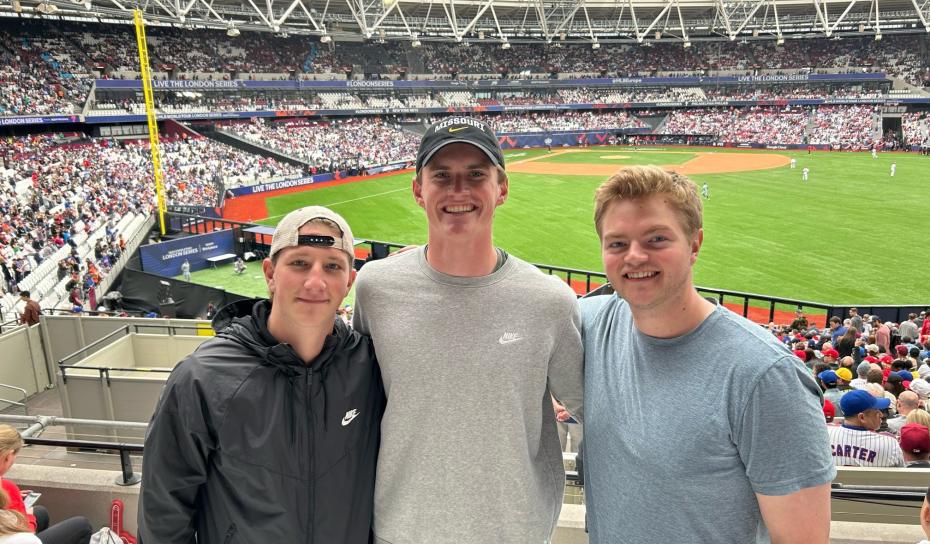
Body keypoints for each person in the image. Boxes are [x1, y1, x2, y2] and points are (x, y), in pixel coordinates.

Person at [352, 116, 583, 544]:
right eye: (442, 175)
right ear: (419, 190)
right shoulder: (376, 288)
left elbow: (599, 413)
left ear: (502, 188)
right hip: (400, 531)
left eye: (476, 174)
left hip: (515, 534)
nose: (459, 189)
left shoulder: (550, 301)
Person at [580, 165, 833, 543]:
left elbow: (802, 539)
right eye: (617, 243)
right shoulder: (590, 323)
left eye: (656, 239)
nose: (634, 256)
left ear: (694, 244)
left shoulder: (765, 375)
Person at [139, 206, 384, 543]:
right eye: (299, 263)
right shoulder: (203, 377)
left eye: (332, 266)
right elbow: (163, 515)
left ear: (349, 283)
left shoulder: (372, 367)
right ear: (270, 273)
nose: (315, 281)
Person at [0, 425, 93, 544]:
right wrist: (28, 515)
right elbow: (25, 533)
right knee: (82, 525)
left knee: (41, 512)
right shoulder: (7, 487)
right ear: (8, 456)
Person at [826, 389, 904, 467]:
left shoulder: (826, 434)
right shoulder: (890, 443)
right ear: (862, 417)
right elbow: (903, 474)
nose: (881, 415)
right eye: (877, 411)